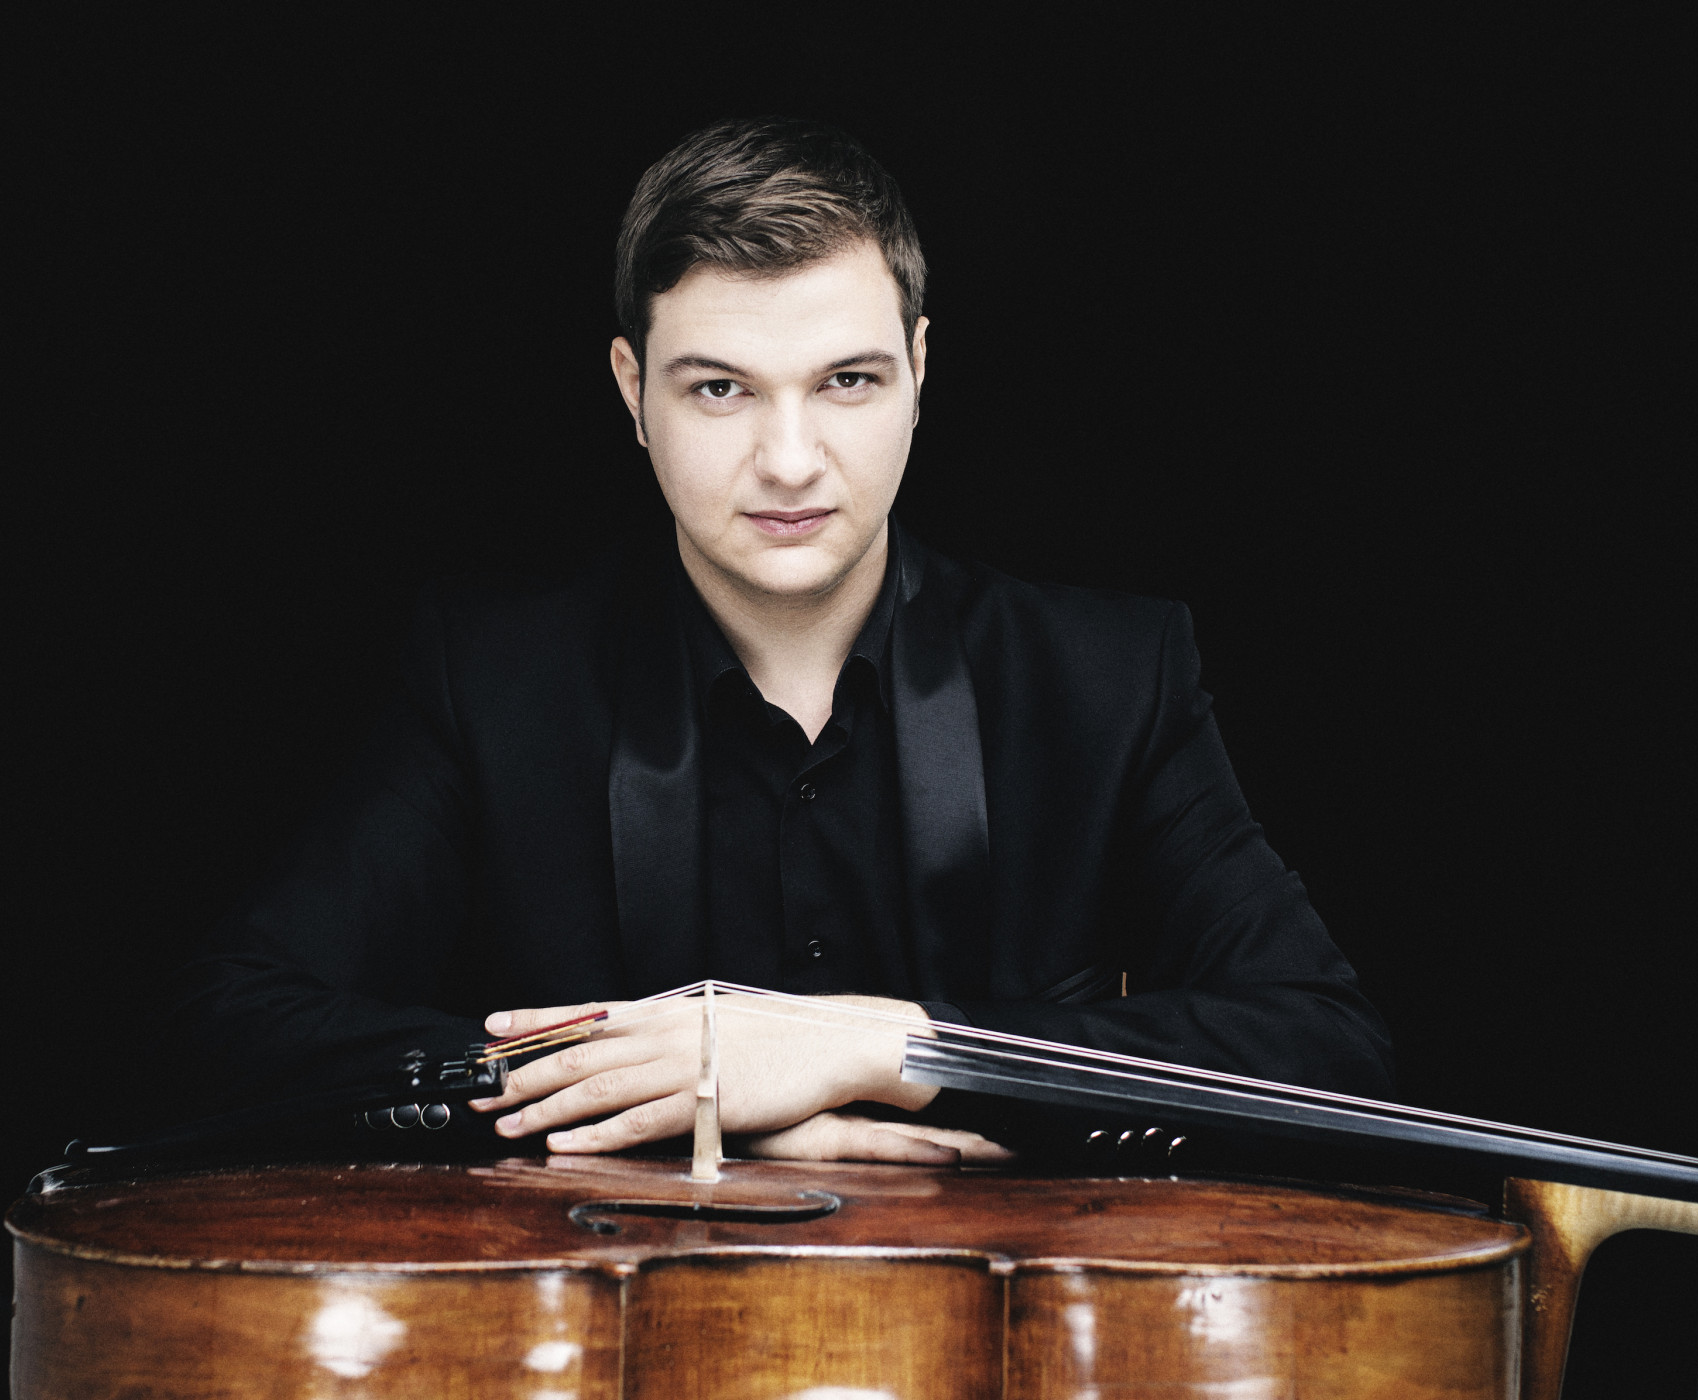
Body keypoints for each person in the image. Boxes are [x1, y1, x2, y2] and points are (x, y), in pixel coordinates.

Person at [169, 117, 1392, 1166]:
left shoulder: (1109, 676)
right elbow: (235, 1018)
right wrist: (677, 1089)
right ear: (630, 391)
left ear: (918, 370)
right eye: (720, 388)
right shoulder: (490, 676)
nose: (791, 460)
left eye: (846, 381)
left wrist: (884, 1045)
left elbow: (1323, 1042)